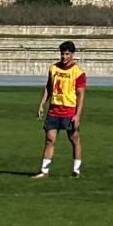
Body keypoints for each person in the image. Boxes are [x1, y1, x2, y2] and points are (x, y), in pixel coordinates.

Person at [33, 40, 86, 179]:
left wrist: (78, 115)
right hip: (54, 110)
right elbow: (49, 87)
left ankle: (76, 171)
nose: (64, 57)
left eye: (67, 54)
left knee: (74, 139)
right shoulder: (53, 68)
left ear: (72, 55)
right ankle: (44, 171)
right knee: (49, 140)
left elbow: (81, 95)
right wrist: (42, 104)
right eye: (62, 54)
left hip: (69, 111)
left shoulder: (78, 72)